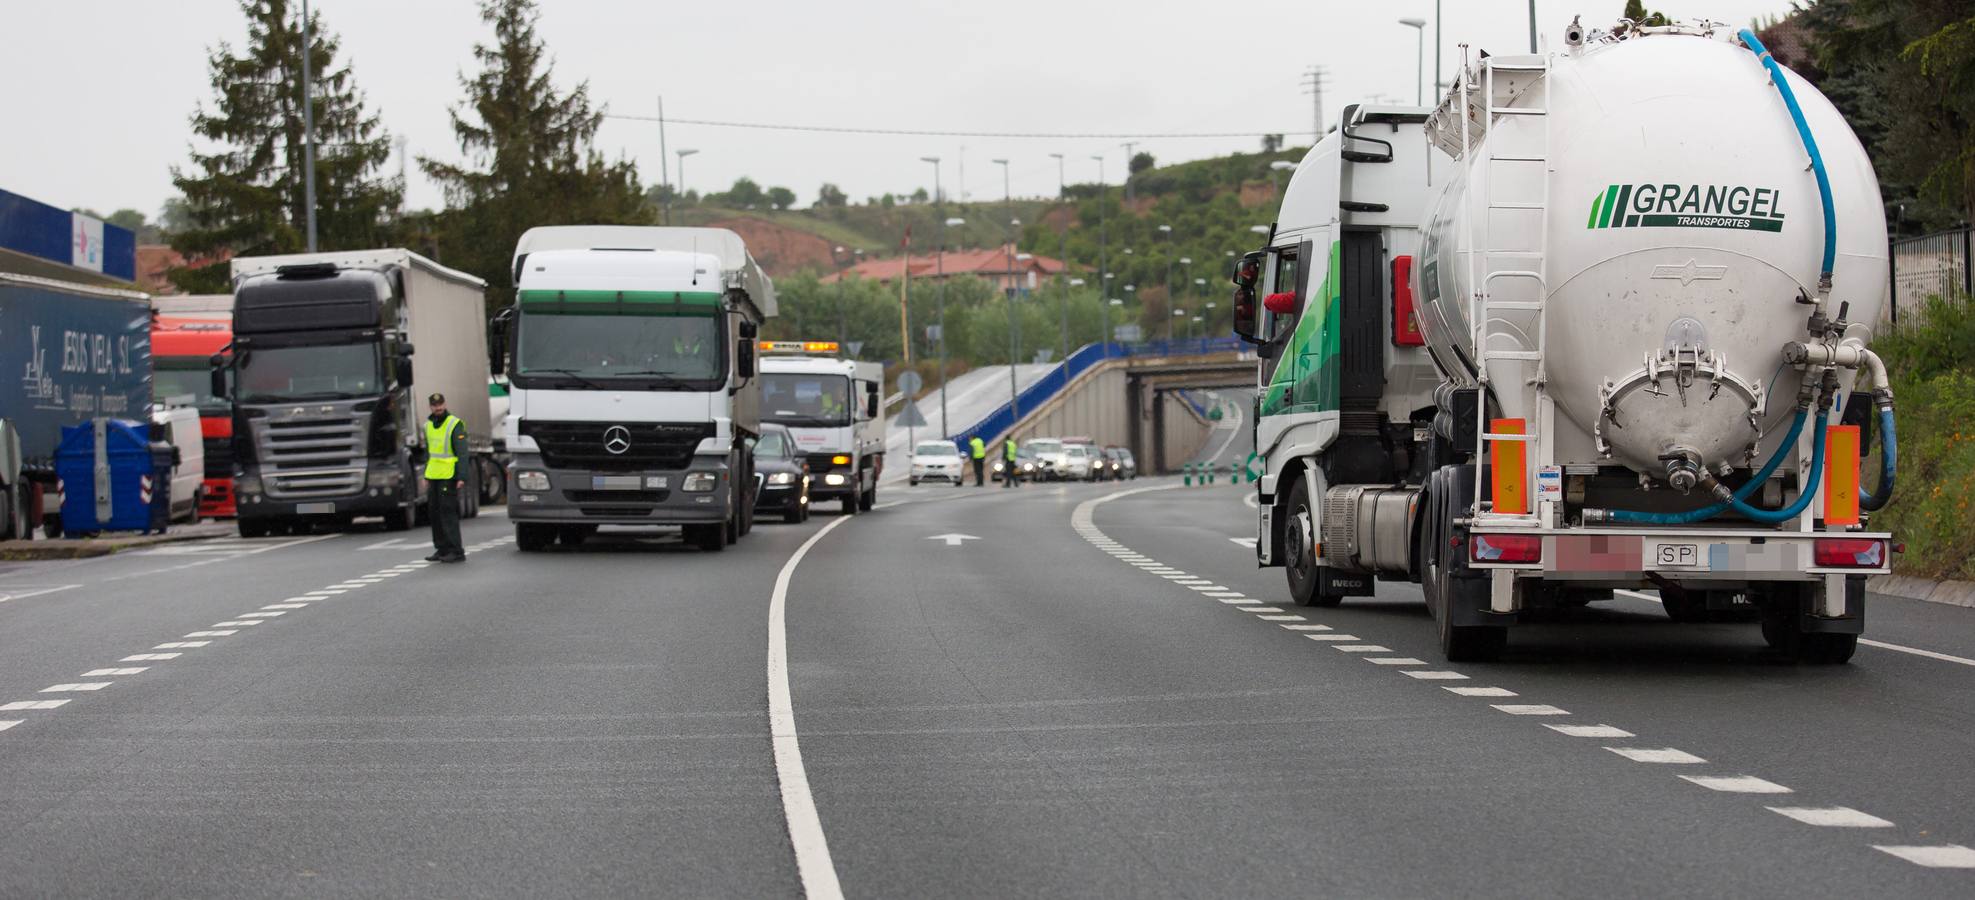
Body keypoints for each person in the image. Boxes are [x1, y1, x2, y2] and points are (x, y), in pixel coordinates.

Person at [422, 392, 467, 563]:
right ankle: (441, 549)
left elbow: (462, 452)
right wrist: (426, 474)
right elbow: (429, 452)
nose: (438, 408)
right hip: (433, 475)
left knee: (448, 512)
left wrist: (461, 476)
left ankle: (456, 550)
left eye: (440, 404)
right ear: (430, 407)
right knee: (434, 513)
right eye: (435, 405)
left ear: (445, 404)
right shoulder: (428, 425)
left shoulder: (454, 424)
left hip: (449, 474)